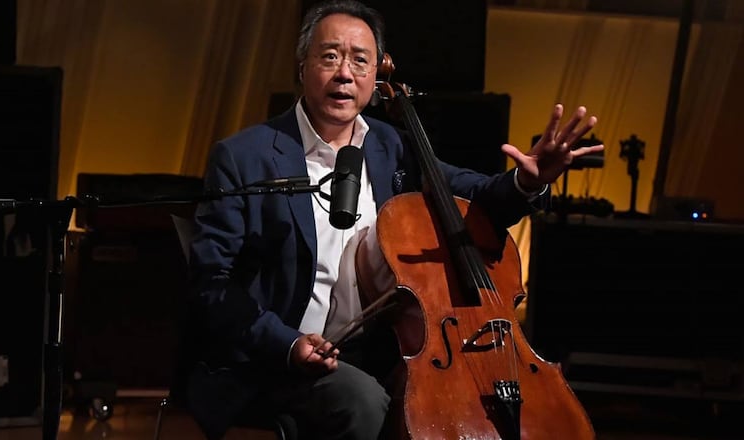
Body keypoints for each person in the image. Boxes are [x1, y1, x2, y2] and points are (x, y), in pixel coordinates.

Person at [184, 1, 604, 439]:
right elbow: (212, 282)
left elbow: (474, 196)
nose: (344, 74)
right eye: (330, 56)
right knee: (365, 401)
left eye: (359, 61)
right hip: (276, 360)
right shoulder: (244, 157)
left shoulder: (393, 148)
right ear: (302, 65)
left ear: (374, 75)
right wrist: (286, 344)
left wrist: (525, 182)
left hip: (381, 352)